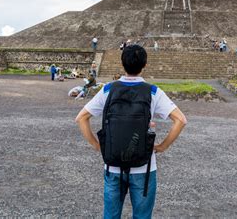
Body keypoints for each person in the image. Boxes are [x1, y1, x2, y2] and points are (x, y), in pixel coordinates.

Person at [75, 45, 187, 218]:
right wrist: (162, 146)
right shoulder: (153, 91)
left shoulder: (108, 90)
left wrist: (97, 145)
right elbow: (180, 120)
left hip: (113, 164)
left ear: (122, 63)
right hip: (144, 166)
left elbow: (81, 118)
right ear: (144, 65)